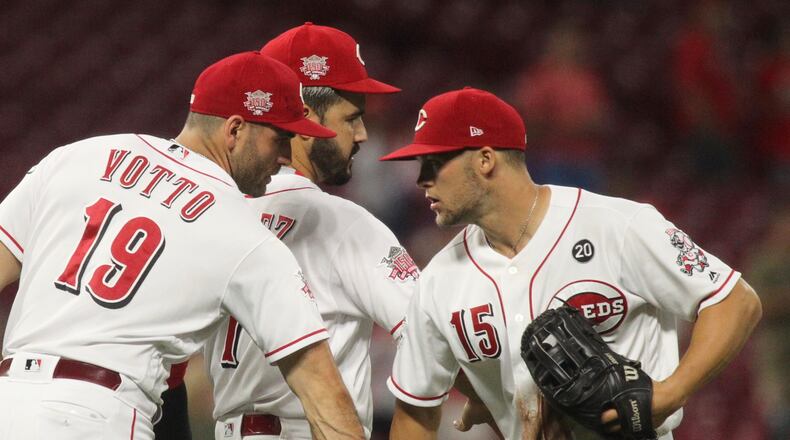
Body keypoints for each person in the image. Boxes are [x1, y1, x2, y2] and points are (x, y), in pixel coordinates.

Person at [0, 50, 366, 440]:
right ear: (235, 130)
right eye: (279, 137)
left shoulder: (77, 156)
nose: (284, 156)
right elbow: (325, 398)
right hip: (97, 417)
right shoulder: (244, 231)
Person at [379, 87, 762, 439]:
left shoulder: (619, 226)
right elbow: (416, 408)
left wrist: (672, 392)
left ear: (484, 159)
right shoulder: (438, 281)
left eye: (433, 162)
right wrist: (487, 389)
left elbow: (735, 301)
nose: (421, 180)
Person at [200, 23, 418, 440]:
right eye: (351, 117)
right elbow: (433, 337)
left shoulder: (214, 213)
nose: (362, 135)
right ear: (304, 114)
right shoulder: (343, 223)